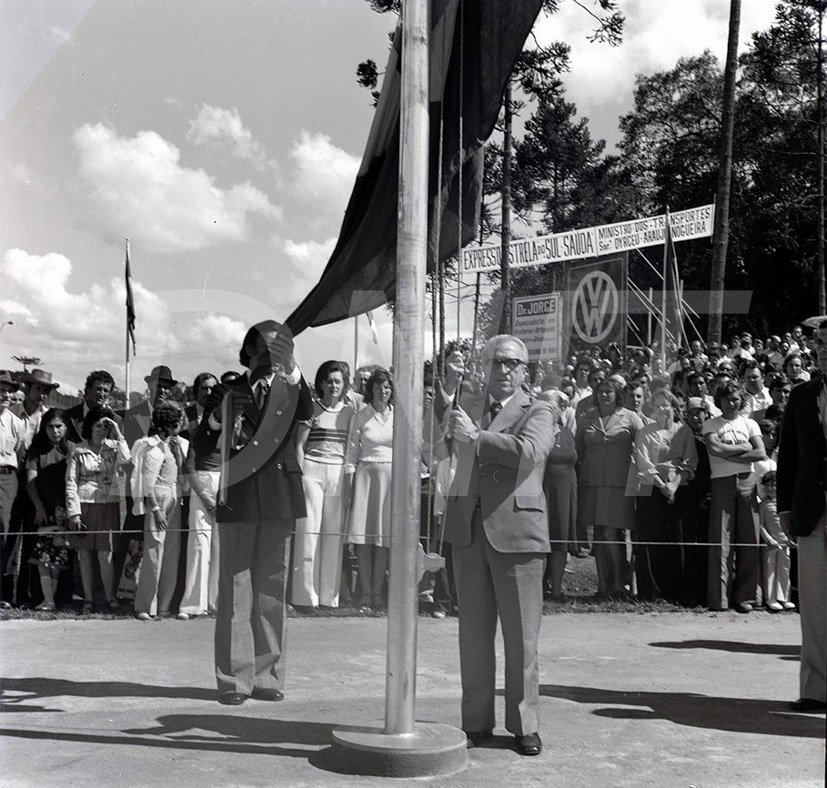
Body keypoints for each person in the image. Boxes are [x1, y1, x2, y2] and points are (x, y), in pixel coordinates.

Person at [437, 336, 555, 757]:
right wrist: (449, 427)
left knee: (522, 639)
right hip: (468, 531)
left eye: (512, 363)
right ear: (483, 367)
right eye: (495, 362)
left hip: (518, 534)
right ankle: (475, 722)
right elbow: (439, 451)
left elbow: (530, 453)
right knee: (473, 636)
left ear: (525, 370)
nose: (503, 370)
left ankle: (525, 725)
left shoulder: (540, 407)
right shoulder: (464, 407)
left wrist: (477, 435)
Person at [192, 319, 313, 706]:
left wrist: (291, 365)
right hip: (240, 495)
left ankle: (268, 675)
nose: (268, 355)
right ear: (247, 352)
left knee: (272, 589)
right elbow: (201, 440)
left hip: (279, 494)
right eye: (262, 347)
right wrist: (216, 416)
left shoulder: (291, 387)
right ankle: (233, 680)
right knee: (236, 588)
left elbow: (307, 408)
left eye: (278, 348)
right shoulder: (227, 390)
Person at [777, 317, 827, 713]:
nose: (823, 350)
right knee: (812, 603)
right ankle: (815, 689)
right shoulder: (801, 396)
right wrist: (785, 508)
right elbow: (789, 454)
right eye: (820, 344)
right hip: (812, 512)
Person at [291, 360, 356, 610]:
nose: (333, 386)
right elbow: (299, 445)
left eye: (338, 381)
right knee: (309, 533)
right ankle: (305, 597)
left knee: (333, 534)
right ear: (320, 383)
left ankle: (329, 597)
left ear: (344, 384)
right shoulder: (312, 410)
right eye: (329, 381)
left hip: (338, 472)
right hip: (312, 470)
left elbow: (351, 450)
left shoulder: (350, 413)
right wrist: (300, 476)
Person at [576, 376, 643, 599]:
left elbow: (644, 448)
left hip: (619, 482)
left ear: (617, 395)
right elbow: (579, 449)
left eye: (609, 391)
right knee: (599, 535)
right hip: (593, 482)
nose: (604, 395)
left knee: (611, 532)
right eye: (601, 391)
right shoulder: (587, 417)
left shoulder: (631, 417)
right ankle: (602, 586)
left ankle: (618, 583)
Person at [703, 381, 766, 613]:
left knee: (749, 539)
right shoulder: (711, 423)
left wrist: (730, 453)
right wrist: (743, 449)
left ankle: (746, 596)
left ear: (742, 400)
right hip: (721, 482)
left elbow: (760, 452)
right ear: (719, 400)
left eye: (736, 399)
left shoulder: (749, 423)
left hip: (747, 482)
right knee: (722, 540)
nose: (731, 403)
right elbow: (714, 449)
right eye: (727, 399)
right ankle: (719, 598)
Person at [632, 389, 697, 603]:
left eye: (665, 405)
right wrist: (662, 486)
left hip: (678, 487)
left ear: (674, 407)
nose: (662, 409)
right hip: (650, 488)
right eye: (658, 405)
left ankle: (676, 592)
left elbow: (689, 462)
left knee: (675, 538)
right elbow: (643, 463)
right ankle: (651, 594)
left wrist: (674, 486)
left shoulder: (684, 431)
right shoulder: (645, 431)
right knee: (649, 538)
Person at [65, 406, 130, 612]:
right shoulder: (78, 450)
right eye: (98, 425)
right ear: (90, 427)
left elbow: (127, 459)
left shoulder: (114, 447)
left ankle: (110, 598)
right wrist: (73, 512)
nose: (102, 430)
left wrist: (118, 432)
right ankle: (88, 599)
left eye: (106, 426)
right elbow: (70, 482)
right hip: (83, 505)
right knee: (84, 554)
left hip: (108, 505)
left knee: (105, 554)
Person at [131, 401, 188, 620]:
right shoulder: (151, 446)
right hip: (159, 497)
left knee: (171, 553)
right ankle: (145, 606)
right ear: (170, 424)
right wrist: (155, 508)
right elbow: (148, 482)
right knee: (154, 551)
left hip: (175, 496)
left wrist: (177, 453)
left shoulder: (176, 445)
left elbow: (181, 477)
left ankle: (164, 605)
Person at [344, 368, 394, 612]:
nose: (382, 391)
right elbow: (352, 451)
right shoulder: (360, 416)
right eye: (378, 386)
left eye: (387, 387)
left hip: (390, 482)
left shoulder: (399, 417)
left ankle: (377, 594)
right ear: (370, 389)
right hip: (365, 478)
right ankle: (364, 593)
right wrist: (349, 486)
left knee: (383, 539)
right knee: (363, 539)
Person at [179, 373, 221, 619]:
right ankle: (193, 604)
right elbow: (190, 466)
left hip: (226, 485)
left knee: (221, 548)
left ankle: (216, 602)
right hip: (201, 487)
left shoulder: (234, 428)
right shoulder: (196, 427)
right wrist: (206, 497)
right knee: (198, 544)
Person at [25, 409, 73, 611]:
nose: (55, 431)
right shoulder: (37, 451)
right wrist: (39, 508)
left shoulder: (72, 449)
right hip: (43, 508)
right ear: (44, 428)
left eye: (59, 426)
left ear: (66, 427)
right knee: (42, 555)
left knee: (65, 553)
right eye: (50, 427)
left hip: (67, 509)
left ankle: (63, 598)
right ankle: (42, 598)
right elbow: (30, 482)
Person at [0, 371, 24, 607]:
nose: (4, 394)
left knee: (6, 531)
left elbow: (19, 453)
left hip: (7, 477)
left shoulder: (16, 423)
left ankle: (4, 592)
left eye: (8, 389)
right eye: (0, 388)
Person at [757, 470, 794, 613]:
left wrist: (791, 539)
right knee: (770, 570)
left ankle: (784, 597)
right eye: (768, 485)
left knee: (785, 570)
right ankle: (771, 599)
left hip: (785, 543)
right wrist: (769, 539)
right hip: (770, 545)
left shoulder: (785, 504)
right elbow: (761, 525)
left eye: (774, 485)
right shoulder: (763, 505)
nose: (771, 488)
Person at [65, 370, 117, 444]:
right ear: (88, 389)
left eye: (105, 391)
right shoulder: (69, 416)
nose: (102, 394)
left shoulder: (116, 420)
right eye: (99, 389)